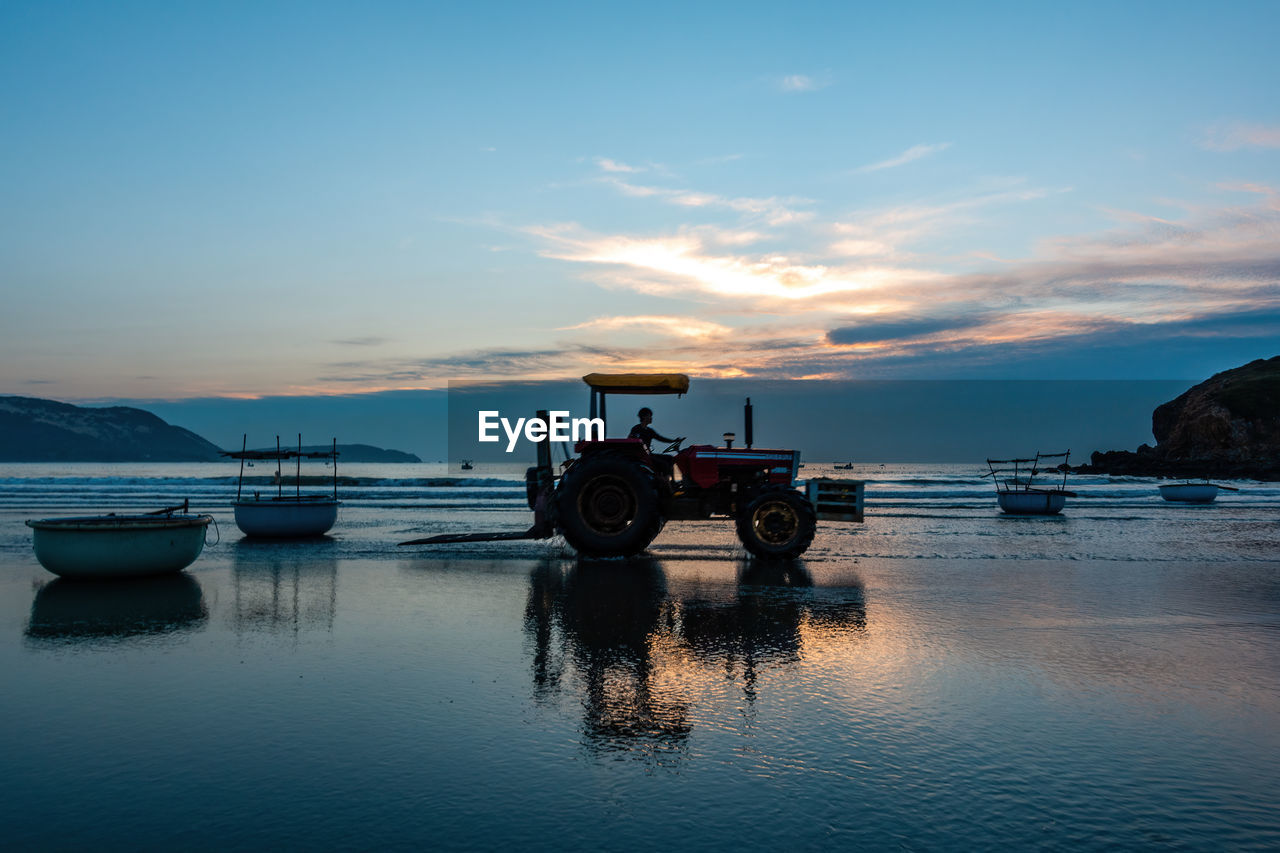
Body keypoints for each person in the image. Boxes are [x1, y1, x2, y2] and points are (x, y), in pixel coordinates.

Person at [629, 407, 682, 480]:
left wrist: (674, 441)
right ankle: (666, 483)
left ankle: (672, 481)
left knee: (670, 458)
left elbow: (660, 438)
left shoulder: (649, 431)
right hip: (643, 456)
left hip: (649, 454)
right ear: (644, 417)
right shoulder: (636, 429)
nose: (651, 418)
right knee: (664, 464)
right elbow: (630, 441)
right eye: (650, 416)